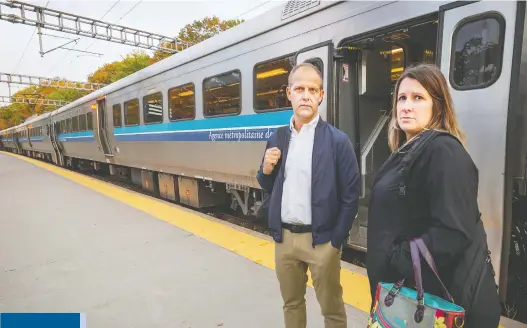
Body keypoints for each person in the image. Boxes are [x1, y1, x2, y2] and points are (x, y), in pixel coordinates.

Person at [366, 63, 501, 327]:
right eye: (401, 98)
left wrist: (396, 259)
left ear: (438, 105)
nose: (406, 106)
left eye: (418, 98)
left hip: (431, 303)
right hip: (413, 298)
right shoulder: (413, 150)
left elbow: (453, 231)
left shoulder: (443, 152)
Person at [256, 62, 360, 328]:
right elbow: (270, 186)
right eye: (299, 88)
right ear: (288, 93)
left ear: (321, 96)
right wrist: (265, 170)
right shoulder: (277, 138)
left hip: (322, 242)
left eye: (312, 90)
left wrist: (336, 241)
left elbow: (351, 195)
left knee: (332, 310)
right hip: (285, 241)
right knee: (291, 304)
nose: (306, 95)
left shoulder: (337, 141)